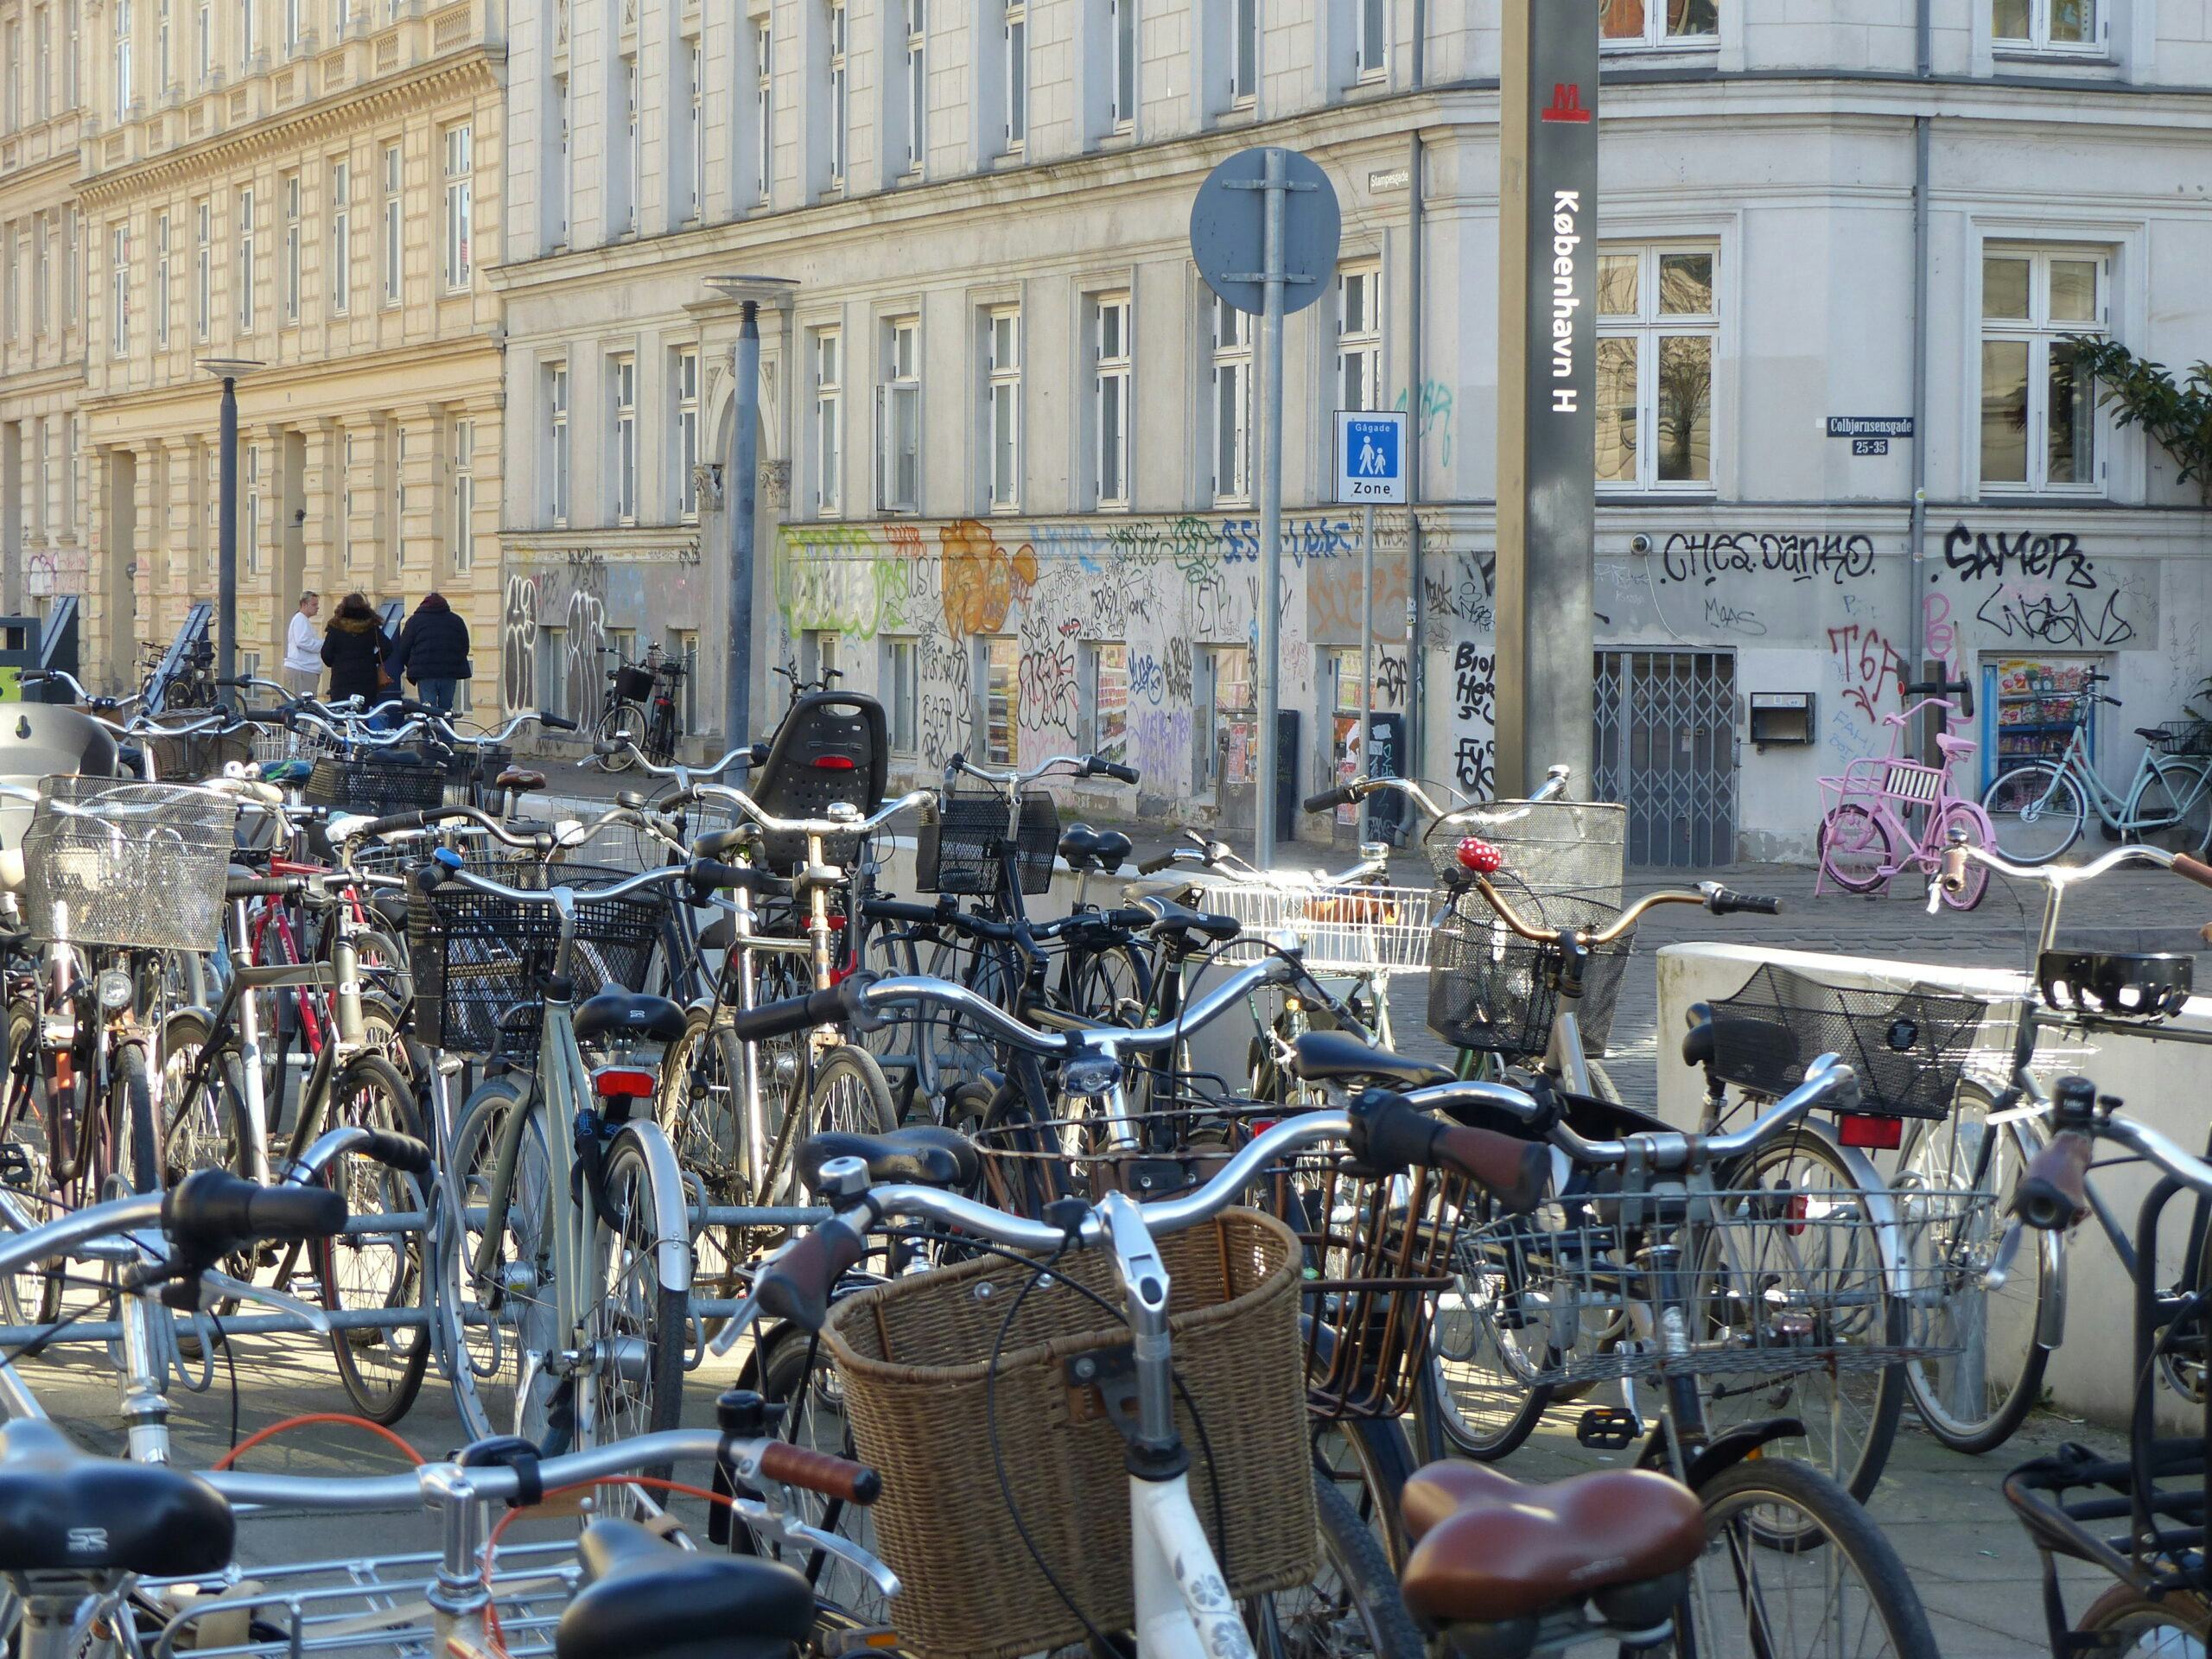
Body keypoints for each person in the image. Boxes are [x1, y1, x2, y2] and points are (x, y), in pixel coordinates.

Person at [385, 592, 473, 715]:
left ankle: (430, 733)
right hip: (449, 673)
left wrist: (411, 665)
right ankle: (446, 733)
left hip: (424, 673)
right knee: (446, 710)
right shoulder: (456, 620)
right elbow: (464, 646)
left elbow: (404, 647)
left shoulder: (415, 621)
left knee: (427, 709)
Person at [320, 591, 392, 709]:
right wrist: (373, 660)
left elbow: (326, 653)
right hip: (366, 679)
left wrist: (336, 662)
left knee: (342, 716)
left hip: (341, 680)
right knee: (363, 713)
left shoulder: (336, 627)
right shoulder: (371, 627)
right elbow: (387, 647)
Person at [282, 592, 322, 698]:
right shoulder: (300, 619)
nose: (317, 608)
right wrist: (323, 644)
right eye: (314, 605)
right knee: (304, 706)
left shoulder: (302, 620)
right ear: (304, 604)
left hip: (305, 669)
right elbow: (303, 641)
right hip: (302, 670)